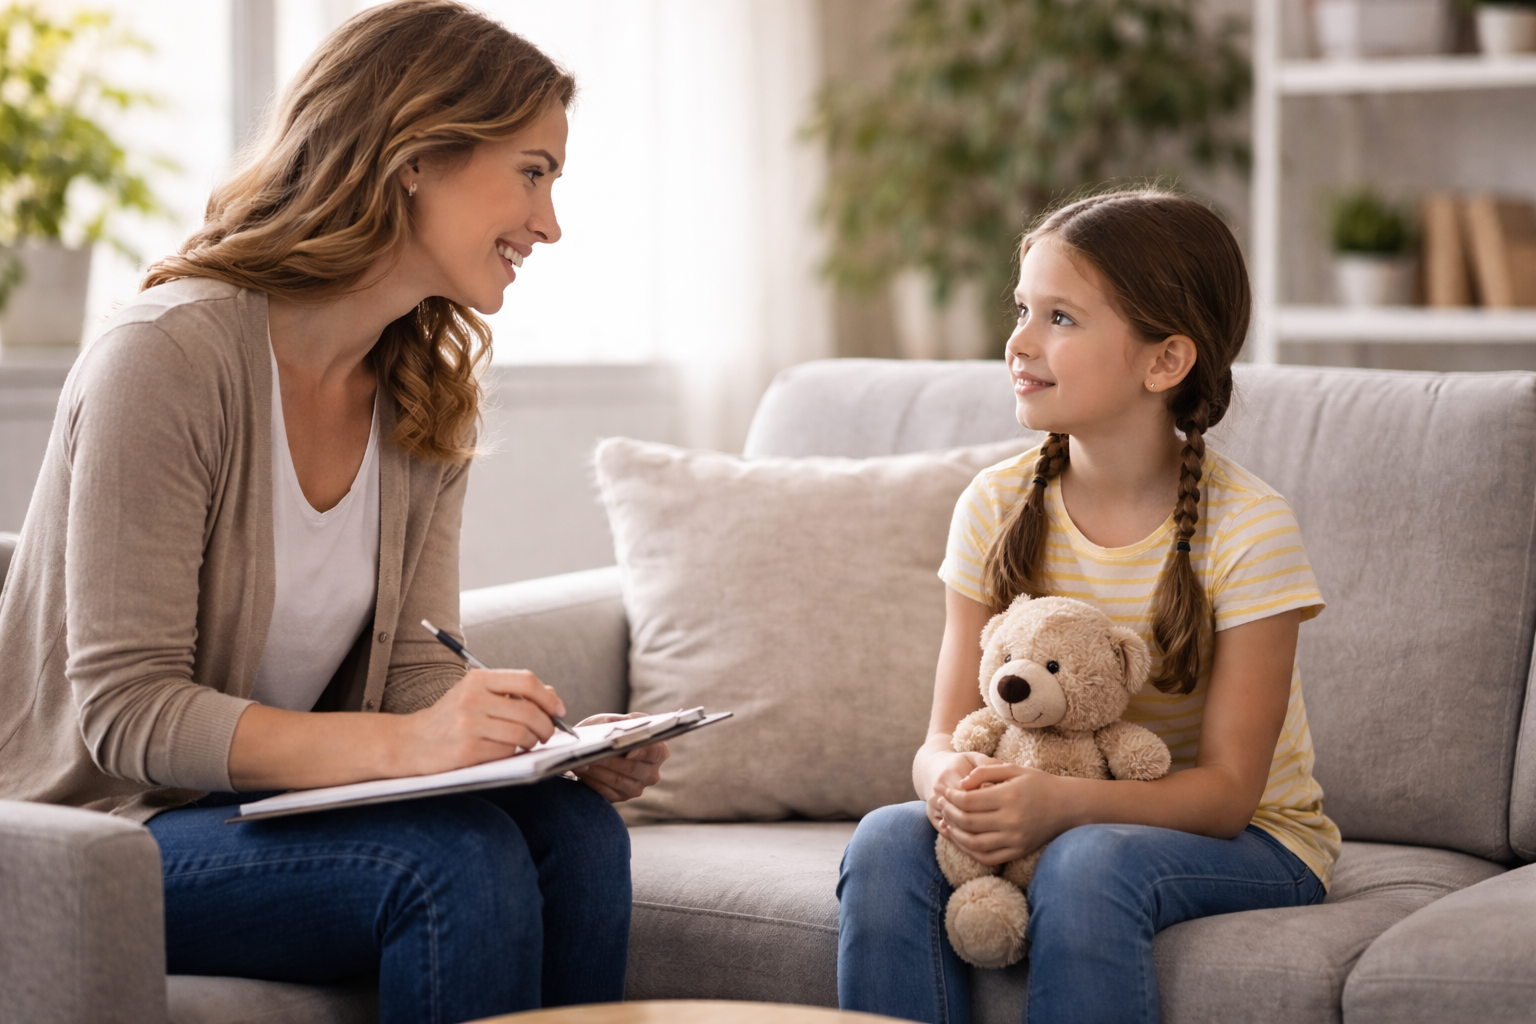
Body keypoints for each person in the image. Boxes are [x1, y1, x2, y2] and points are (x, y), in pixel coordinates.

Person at [0, 4, 665, 1021]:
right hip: (98, 831)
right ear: (415, 155)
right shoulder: (168, 357)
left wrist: (550, 743)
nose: (549, 222)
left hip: (255, 813)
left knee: (578, 833)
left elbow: (408, 667)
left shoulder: (425, 390)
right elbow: (128, 712)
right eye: (532, 172)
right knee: (455, 862)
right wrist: (413, 747)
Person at [836, 189, 1339, 1024]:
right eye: (1023, 308)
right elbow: (939, 735)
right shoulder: (993, 505)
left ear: (1165, 361)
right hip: (1056, 809)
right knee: (888, 840)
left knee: (1089, 861)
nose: (1020, 343)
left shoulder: (1249, 528)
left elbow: (1226, 796)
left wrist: (1061, 805)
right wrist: (955, 786)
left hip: (1258, 841)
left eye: (1061, 318)